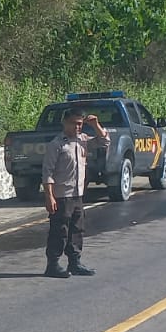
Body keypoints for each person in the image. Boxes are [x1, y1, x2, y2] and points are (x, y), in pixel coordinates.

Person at [41, 109, 106, 278]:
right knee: (59, 230)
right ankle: (52, 265)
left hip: (77, 194)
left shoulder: (82, 140)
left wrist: (95, 125)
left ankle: (75, 263)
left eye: (80, 124)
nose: (77, 127)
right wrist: (49, 196)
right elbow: (47, 172)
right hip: (62, 195)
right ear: (65, 123)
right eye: (74, 123)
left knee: (77, 230)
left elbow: (104, 141)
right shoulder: (57, 144)